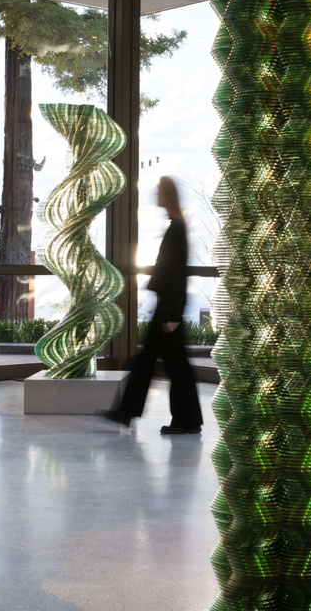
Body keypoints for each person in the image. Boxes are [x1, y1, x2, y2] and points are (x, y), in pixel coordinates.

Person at [103, 176, 204, 435]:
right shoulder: (175, 226)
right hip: (167, 306)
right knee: (150, 362)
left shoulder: (177, 228)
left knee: (171, 365)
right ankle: (129, 412)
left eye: (159, 191)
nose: (156, 195)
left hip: (168, 310)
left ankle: (185, 420)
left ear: (167, 195)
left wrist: (172, 315)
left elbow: (176, 275)